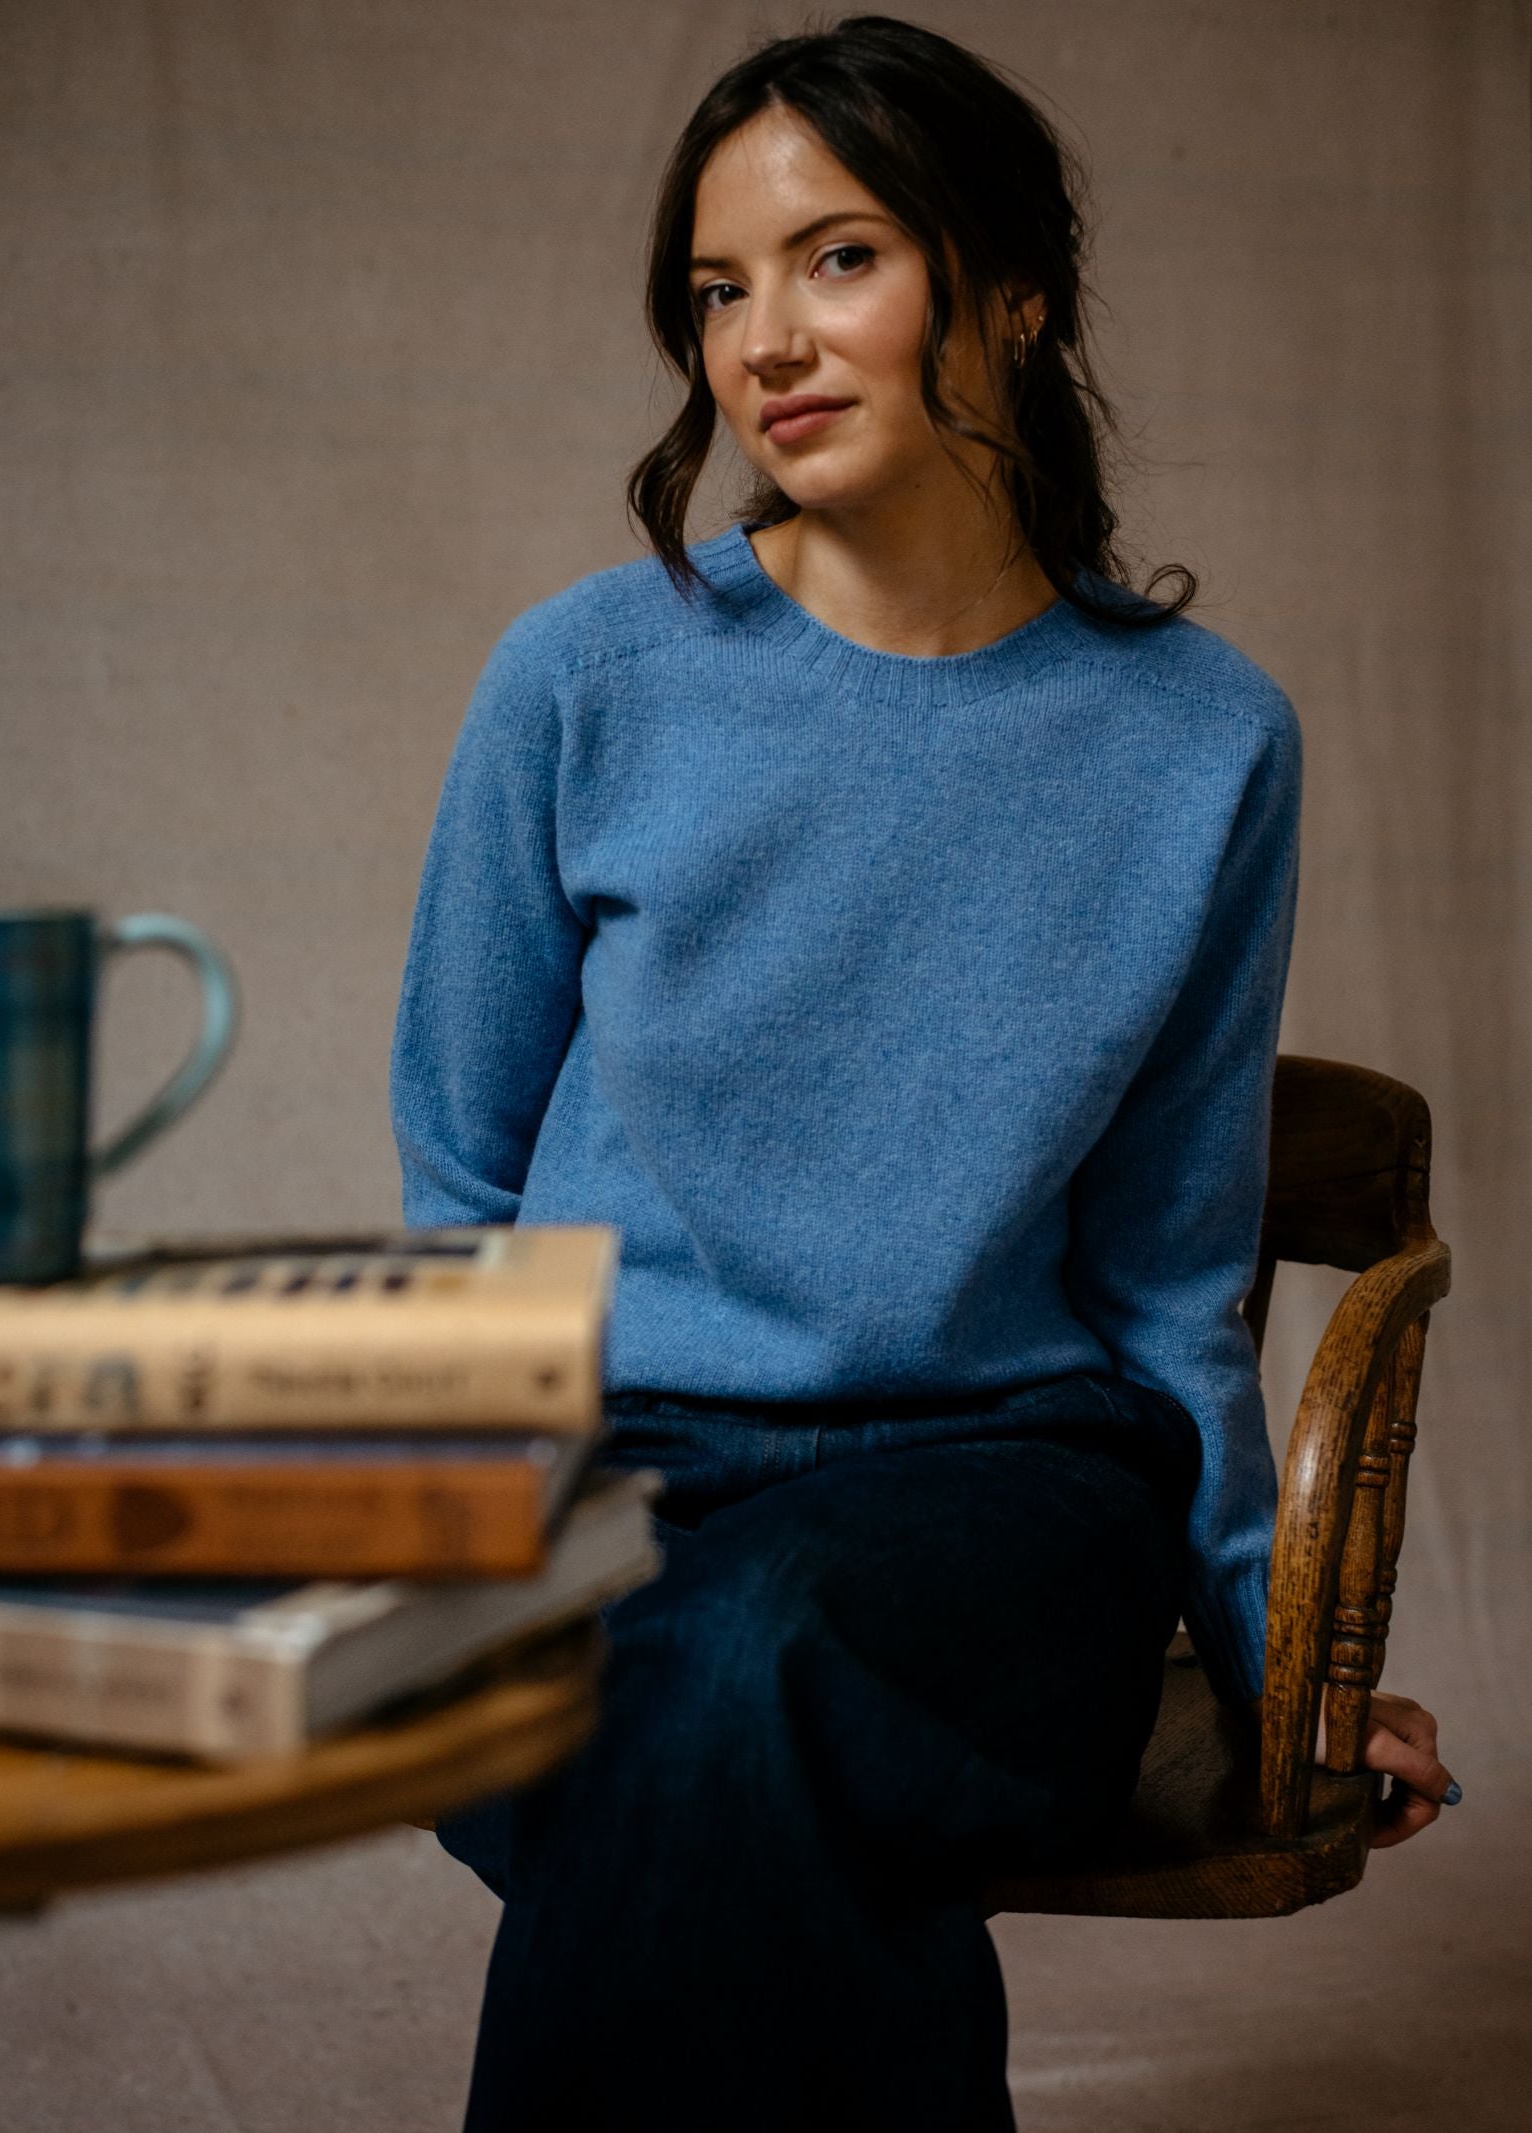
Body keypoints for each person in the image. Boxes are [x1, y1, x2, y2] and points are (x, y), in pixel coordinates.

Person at [389, 15, 1454, 2130]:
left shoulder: (1198, 741)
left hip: (995, 1489)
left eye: (836, 257)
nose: (763, 339)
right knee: (686, 1712)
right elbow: (458, 1176)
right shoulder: (583, 682)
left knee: (718, 1677)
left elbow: (1169, 1273)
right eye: (716, 288)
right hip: (621, 1466)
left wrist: (1275, 1665)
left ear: (1010, 289)